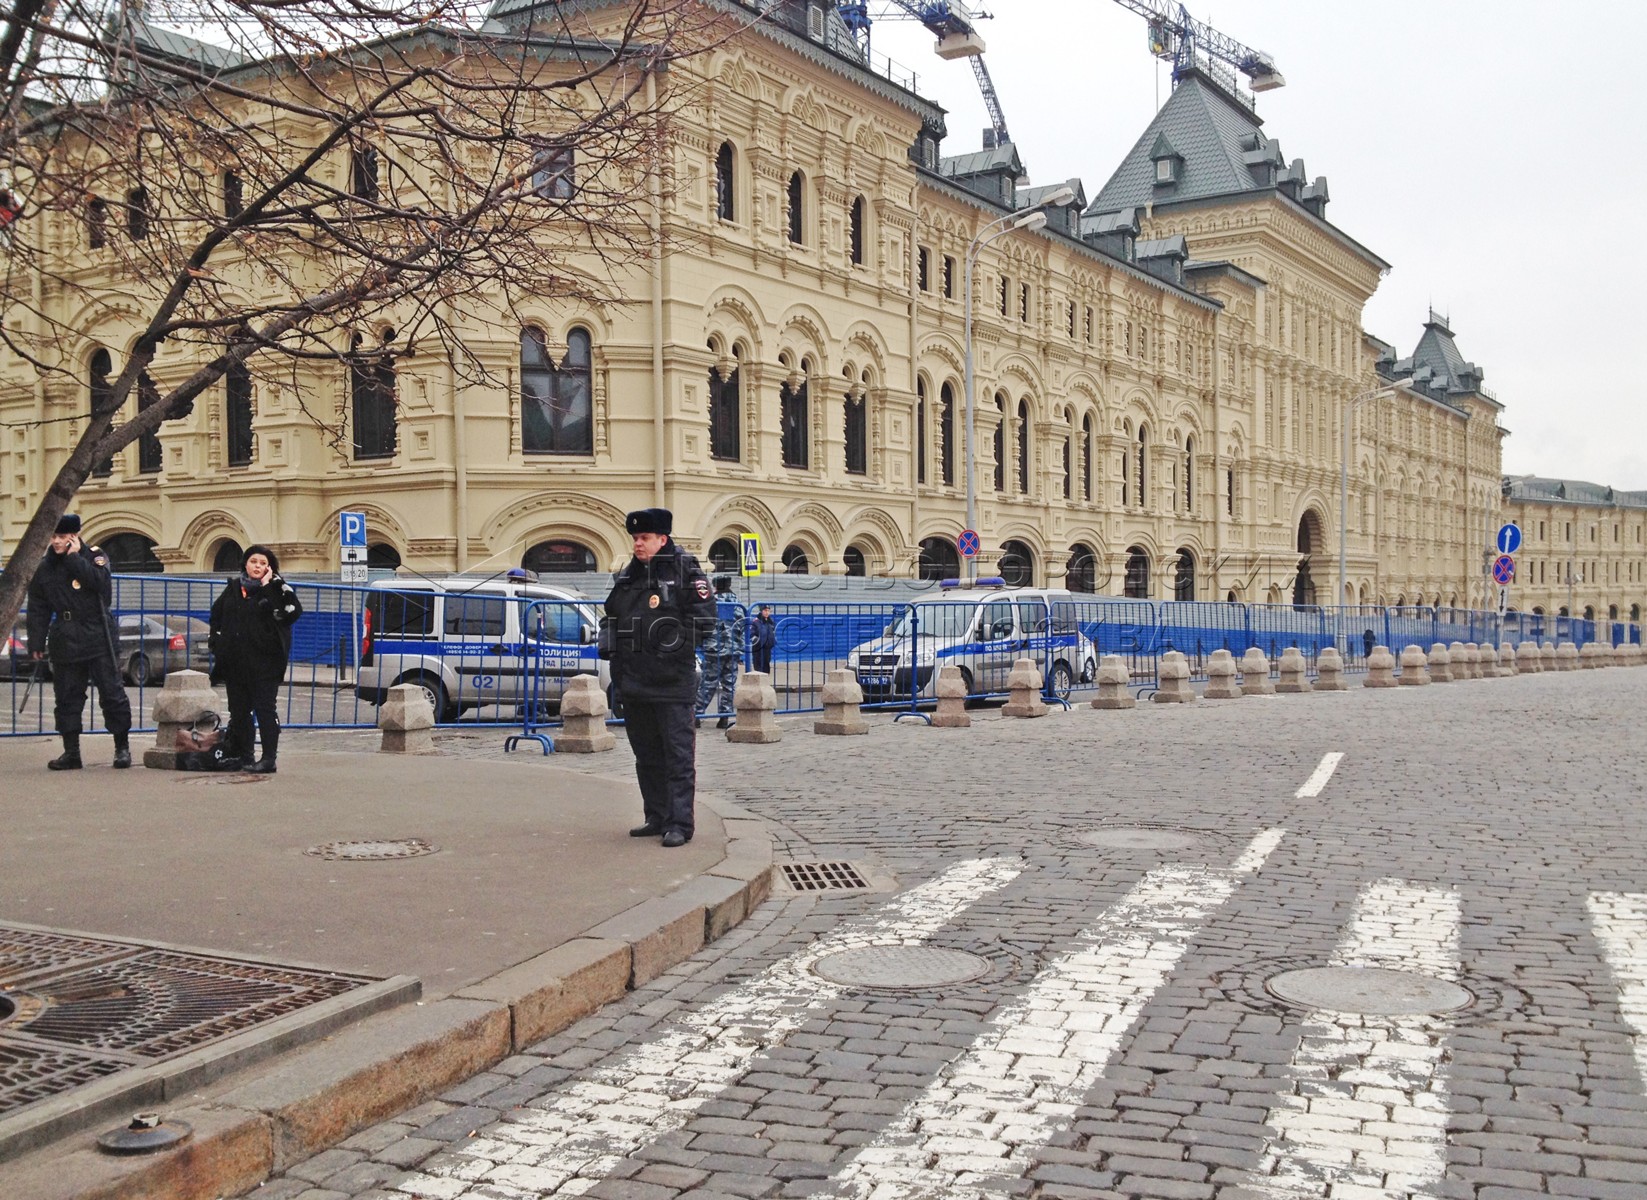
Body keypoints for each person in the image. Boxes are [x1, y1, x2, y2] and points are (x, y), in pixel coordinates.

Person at [601, 508, 716, 848]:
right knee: (647, 755)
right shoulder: (630, 574)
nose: (638, 544)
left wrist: (671, 649)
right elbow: (611, 613)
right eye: (635, 538)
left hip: (671, 683)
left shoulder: (684, 570)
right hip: (635, 682)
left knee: (677, 756)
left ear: (662, 539)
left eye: (645, 538)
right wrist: (610, 649)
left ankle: (680, 823)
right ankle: (656, 815)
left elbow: (704, 621)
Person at [26, 514, 132, 770]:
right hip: (66, 637)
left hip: (98, 634)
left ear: (74, 536)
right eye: (53, 537)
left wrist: (74, 559)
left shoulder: (94, 556)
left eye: (62, 537)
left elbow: (102, 586)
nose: (56, 542)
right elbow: (38, 607)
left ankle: (122, 748)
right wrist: (36, 642)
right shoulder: (45, 567)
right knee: (67, 698)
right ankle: (71, 752)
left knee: (112, 694)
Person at [209, 544, 303, 773]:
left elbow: (291, 613)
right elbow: (216, 614)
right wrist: (217, 643)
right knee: (239, 712)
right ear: (245, 564)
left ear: (269, 568)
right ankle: (246, 756)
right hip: (236, 663)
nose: (257, 566)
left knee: (265, 710)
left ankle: (269, 758)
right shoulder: (233, 588)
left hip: (265, 664)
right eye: (253, 561)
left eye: (263, 563)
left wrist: (268, 585)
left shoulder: (279, 588)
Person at [696, 576, 744, 729]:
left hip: (714, 649)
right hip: (733, 650)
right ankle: (724, 717)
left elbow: (703, 623)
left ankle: (696, 714)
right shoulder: (737, 604)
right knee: (729, 685)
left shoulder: (712, 602)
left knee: (708, 683)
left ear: (715, 587)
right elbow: (742, 625)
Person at [751, 603, 776, 674]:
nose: (767, 612)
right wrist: (758, 642)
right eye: (765, 610)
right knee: (759, 668)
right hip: (758, 649)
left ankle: (766, 683)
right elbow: (752, 635)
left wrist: (772, 642)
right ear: (761, 611)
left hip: (767, 649)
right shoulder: (756, 622)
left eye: (768, 610)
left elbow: (773, 633)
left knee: (766, 668)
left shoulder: (771, 622)